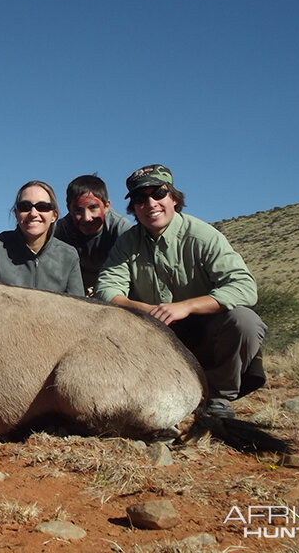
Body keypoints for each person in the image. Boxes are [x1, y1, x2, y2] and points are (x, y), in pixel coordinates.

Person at [94, 164, 266, 419]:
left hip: (205, 333)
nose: (150, 203)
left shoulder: (203, 236)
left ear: (174, 197)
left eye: (158, 194)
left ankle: (218, 397)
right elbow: (106, 289)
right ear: (134, 207)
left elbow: (244, 287)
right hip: (154, 335)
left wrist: (186, 307)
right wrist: (147, 311)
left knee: (246, 322)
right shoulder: (127, 243)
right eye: (140, 199)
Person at [0, 180, 84, 296]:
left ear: (54, 216)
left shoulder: (69, 255)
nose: (33, 213)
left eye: (42, 207)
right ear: (16, 214)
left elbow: (77, 307)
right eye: (25, 207)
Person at [53, 174, 131, 296]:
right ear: (69, 208)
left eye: (93, 208)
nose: (86, 218)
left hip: (112, 286)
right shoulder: (61, 230)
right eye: (78, 210)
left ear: (106, 206)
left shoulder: (121, 229)